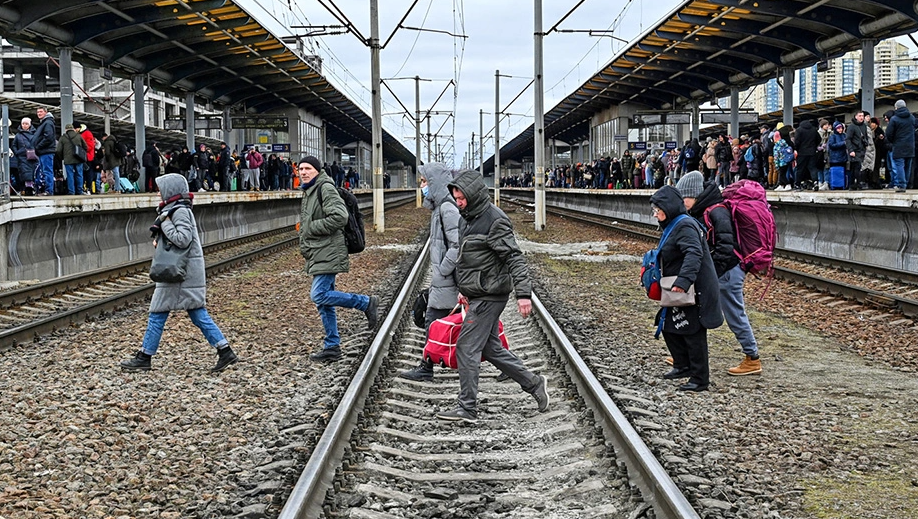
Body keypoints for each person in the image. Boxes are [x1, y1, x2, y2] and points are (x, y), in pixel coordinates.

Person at [435, 169, 549, 423]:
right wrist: (464, 291)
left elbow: (514, 257)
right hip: (478, 294)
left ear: (473, 195)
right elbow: (467, 258)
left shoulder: (495, 220)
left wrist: (523, 294)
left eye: (461, 197)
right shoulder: (467, 217)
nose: (458, 202)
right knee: (492, 349)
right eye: (456, 197)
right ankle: (533, 383)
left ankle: (467, 408)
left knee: (466, 347)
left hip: (490, 295)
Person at [120, 173, 236, 372]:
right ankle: (225, 351)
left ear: (170, 190)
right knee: (195, 312)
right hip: (182, 271)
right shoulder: (175, 209)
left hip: (180, 272)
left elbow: (182, 239)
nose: (158, 193)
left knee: (158, 312)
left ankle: (145, 357)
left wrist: (163, 221)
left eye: (160, 189)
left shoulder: (178, 211)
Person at [675, 172, 761, 376]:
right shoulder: (701, 210)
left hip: (728, 271)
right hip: (716, 270)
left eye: (683, 198)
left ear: (694, 195)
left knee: (734, 314)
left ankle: (753, 358)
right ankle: (687, 354)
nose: (682, 203)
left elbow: (725, 248)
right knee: (694, 309)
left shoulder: (717, 211)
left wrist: (711, 272)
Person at [297, 156, 379, 362]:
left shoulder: (325, 188)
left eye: (308, 168)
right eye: (300, 169)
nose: (303, 172)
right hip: (319, 251)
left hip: (328, 250)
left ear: (317, 170)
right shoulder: (310, 191)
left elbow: (339, 217)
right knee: (325, 303)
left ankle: (366, 303)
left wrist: (310, 228)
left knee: (319, 295)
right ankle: (332, 347)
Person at [648, 185, 722, 392]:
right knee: (670, 326)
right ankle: (682, 365)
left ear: (668, 207)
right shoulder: (675, 223)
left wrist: (683, 281)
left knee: (692, 332)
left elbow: (693, 254)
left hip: (692, 290)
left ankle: (700, 379)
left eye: (657, 210)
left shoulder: (685, 226)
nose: (655, 214)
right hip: (678, 288)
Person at [399, 166, 461, 381]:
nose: (422, 186)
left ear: (435, 182)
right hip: (444, 281)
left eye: (424, 181)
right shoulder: (439, 208)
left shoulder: (447, 209)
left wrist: (443, 270)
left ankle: (426, 368)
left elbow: (458, 245)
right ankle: (427, 366)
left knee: (433, 321)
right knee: (444, 322)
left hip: (448, 280)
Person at [885, 99, 915, 193]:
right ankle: (905, 183)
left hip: (898, 146)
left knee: (899, 166)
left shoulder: (894, 119)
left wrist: (893, 141)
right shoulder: (911, 117)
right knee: (907, 166)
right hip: (910, 146)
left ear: (896, 107)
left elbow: (889, 133)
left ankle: (902, 185)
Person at [55, 124, 86, 195]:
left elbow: (58, 150)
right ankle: (80, 191)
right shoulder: (79, 136)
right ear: (73, 129)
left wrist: (62, 157)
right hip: (79, 159)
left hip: (68, 160)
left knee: (70, 175)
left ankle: (71, 191)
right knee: (79, 174)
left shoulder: (63, 138)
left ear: (66, 129)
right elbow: (85, 147)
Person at [33, 106, 56, 196]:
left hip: (46, 151)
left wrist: (38, 146)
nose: (39, 113)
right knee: (45, 171)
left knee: (47, 171)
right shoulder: (45, 123)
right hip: (44, 151)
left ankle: (49, 191)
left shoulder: (47, 123)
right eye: (38, 112)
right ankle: (47, 190)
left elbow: (48, 137)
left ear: (46, 112)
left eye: (41, 112)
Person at [11, 117, 37, 195]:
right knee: (24, 174)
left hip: (33, 157)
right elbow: (14, 145)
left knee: (33, 173)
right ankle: (26, 189)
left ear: (30, 124)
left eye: (26, 124)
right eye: (23, 123)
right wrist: (17, 152)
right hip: (22, 157)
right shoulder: (18, 135)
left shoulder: (35, 134)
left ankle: (31, 188)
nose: (24, 125)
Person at [845, 110, 868, 190]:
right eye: (860, 116)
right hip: (854, 150)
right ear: (856, 116)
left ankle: (857, 183)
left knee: (859, 167)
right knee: (855, 167)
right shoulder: (851, 127)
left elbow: (865, 136)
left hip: (861, 149)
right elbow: (848, 139)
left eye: (862, 116)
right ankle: (853, 184)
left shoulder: (864, 126)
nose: (862, 118)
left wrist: (866, 145)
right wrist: (851, 150)